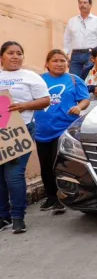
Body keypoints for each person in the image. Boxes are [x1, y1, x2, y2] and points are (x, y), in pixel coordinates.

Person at [0, 41, 51, 234]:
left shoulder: (30, 77)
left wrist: (24, 106)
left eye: (19, 53)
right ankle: (2, 216)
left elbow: (45, 100)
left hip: (20, 130)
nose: (15, 56)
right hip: (0, 129)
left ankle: (17, 217)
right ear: (1, 57)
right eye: (10, 53)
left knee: (13, 175)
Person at [34, 49, 91, 214]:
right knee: (45, 166)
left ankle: (61, 198)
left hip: (63, 130)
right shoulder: (38, 80)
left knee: (57, 165)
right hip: (42, 129)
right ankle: (50, 197)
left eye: (62, 61)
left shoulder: (74, 79)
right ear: (47, 64)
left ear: (67, 63)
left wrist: (78, 107)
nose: (59, 64)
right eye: (55, 61)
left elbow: (85, 99)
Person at [64, 0, 97, 78]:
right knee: (74, 79)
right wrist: (66, 53)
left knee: (92, 77)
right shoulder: (72, 21)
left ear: (90, 5)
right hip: (76, 55)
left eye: (85, 3)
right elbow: (67, 38)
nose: (82, 5)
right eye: (80, 3)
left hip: (91, 54)